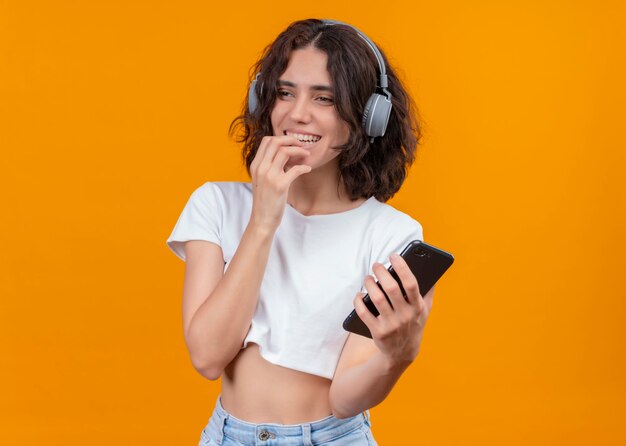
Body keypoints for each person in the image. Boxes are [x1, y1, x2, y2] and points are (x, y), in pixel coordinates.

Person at [167, 18, 435, 446]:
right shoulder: (216, 205)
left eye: (324, 98)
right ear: (263, 101)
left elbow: (346, 398)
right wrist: (263, 220)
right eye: (285, 93)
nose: (297, 114)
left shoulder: (392, 235)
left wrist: (395, 357)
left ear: (369, 117)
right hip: (227, 436)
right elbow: (208, 356)